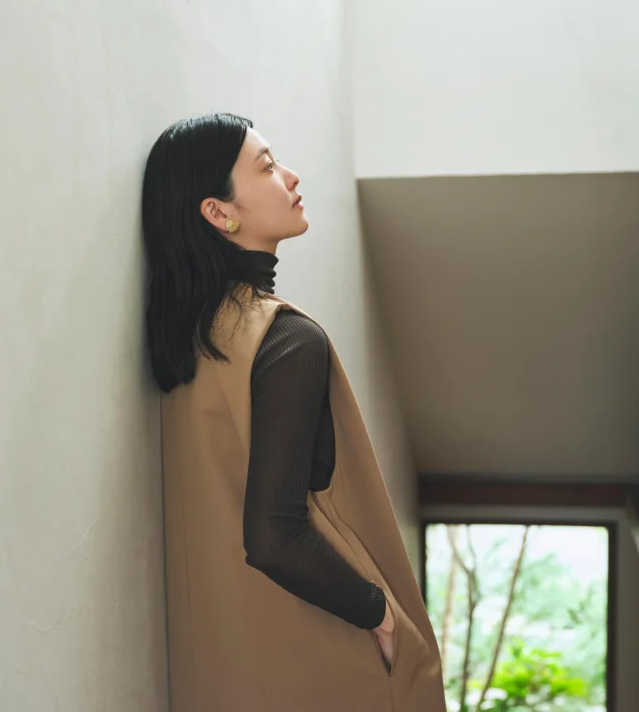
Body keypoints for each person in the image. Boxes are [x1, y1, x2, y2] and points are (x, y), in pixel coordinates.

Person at [142, 112, 445, 711]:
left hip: (227, 663)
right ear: (218, 213)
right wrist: (382, 616)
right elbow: (274, 537)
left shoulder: (188, 340)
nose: (291, 176)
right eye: (267, 166)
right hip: (323, 658)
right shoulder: (285, 339)